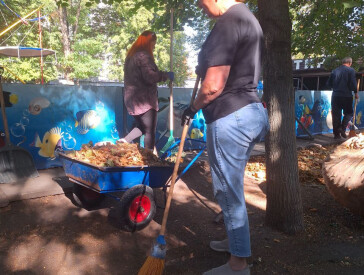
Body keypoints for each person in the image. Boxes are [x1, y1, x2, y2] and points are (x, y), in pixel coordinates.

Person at [181, 1, 269, 274]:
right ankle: (235, 243)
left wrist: (192, 108)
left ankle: (238, 264)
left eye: (202, 2)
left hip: (231, 117)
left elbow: (213, 86)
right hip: (252, 112)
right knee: (232, 189)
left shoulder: (229, 21)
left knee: (227, 192)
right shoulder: (249, 20)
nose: (202, 8)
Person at [96, 31, 174, 150]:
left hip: (132, 100)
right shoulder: (143, 56)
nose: (154, 47)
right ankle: (149, 161)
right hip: (145, 100)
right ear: (149, 43)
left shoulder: (131, 57)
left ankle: (125, 140)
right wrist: (165, 75)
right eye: (153, 44)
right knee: (149, 132)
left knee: (142, 127)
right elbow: (150, 77)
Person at [327, 57, 358, 139]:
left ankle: (336, 135)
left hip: (335, 95)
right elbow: (353, 83)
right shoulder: (351, 70)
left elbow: (329, 83)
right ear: (350, 63)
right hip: (346, 95)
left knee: (336, 115)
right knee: (349, 113)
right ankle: (342, 128)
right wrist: (355, 92)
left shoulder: (334, 70)